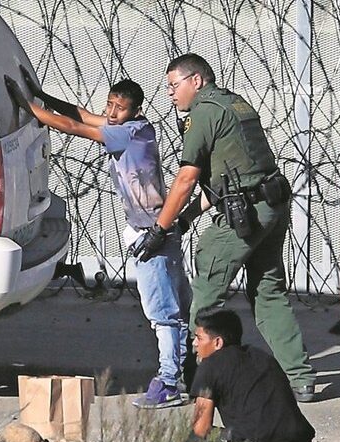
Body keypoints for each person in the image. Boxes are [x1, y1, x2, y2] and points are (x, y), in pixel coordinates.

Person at [136, 53, 319, 402]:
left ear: (196, 81)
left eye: (174, 86)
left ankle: (193, 378)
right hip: (270, 204)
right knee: (267, 291)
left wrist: (160, 228)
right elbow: (226, 180)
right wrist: (187, 217)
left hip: (247, 213)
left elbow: (188, 177)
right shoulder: (235, 103)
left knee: (205, 293)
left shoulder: (204, 112)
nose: (171, 94)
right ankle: (300, 378)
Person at [7, 69, 192, 408]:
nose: (110, 112)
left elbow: (76, 128)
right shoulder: (131, 126)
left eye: (119, 108)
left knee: (162, 313)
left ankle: (169, 381)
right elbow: (83, 115)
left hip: (153, 233)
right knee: (175, 307)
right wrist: (43, 97)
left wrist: (27, 107)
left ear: (135, 111)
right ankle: (184, 369)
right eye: (109, 104)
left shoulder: (130, 133)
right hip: (159, 228)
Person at [189, 308, 314, 442]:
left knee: (192, 439)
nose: (194, 343)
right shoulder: (262, 356)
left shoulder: (209, 365)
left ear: (218, 342)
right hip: (300, 440)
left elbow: (200, 429)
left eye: (199, 338)